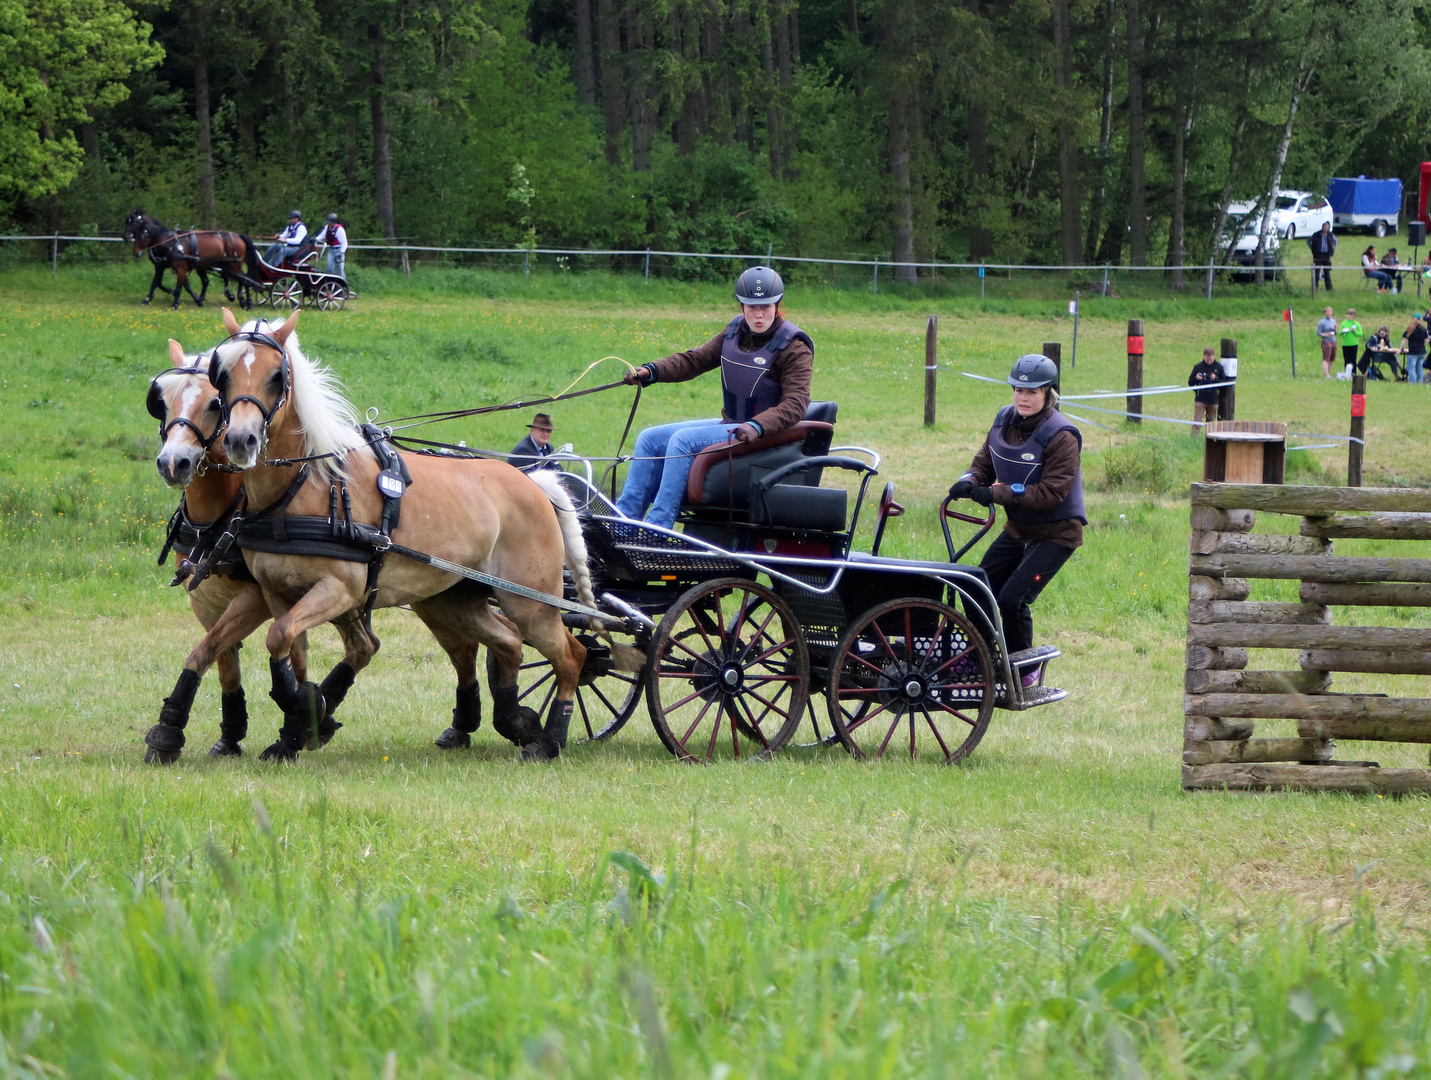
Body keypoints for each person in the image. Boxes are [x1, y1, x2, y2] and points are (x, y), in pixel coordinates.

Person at [615, 266, 813, 529]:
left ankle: (656, 531)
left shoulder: (794, 346)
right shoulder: (734, 331)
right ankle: (622, 527)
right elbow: (695, 360)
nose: (758, 314)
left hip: (763, 436)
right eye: (751, 306)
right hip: (730, 426)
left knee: (682, 441)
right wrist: (651, 371)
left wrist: (758, 425)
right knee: (649, 439)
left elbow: (796, 403)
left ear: (777, 304)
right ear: (741, 305)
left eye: (765, 306)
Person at [948, 354, 1084, 682]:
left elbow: (1052, 493)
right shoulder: (1003, 421)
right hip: (1018, 529)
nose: (1023, 397)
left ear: (1049, 394)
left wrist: (999, 493)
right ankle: (979, 658)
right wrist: (970, 480)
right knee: (975, 588)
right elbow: (984, 462)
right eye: (1018, 390)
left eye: (1032, 392)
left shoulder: (1062, 436)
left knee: (1012, 599)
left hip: (1057, 534)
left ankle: (1025, 669)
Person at [1188, 347, 1227, 427]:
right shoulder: (1198, 367)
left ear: (1214, 356)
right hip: (1200, 400)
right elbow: (1190, 383)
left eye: (1211, 359)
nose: (1209, 361)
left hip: (1213, 401)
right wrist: (1196, 378)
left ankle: (1209, 439)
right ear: (1204, 356)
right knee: (1197, 422)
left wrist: (1215, 379)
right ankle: (1194, 437)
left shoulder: (1219, 367)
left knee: (1211, 424)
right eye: (1207, 359)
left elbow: (1224, 385)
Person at [315, 213, 348, 277]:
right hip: (331, 250)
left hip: (338, 250)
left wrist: (341, 252)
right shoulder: (327, 228)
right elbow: (322, 236)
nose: (329, 224)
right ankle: (330, 284)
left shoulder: (339, 229)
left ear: (334, 222)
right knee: (329, 268)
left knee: (340, 269)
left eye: (330, 223)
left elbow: (344, 242)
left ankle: (343, 285)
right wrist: (315, 239)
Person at [1308, 222, 1337, 291]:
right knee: (1316, 272)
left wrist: (1333, 247)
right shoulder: (1316, 234)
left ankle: (1329, 288)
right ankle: (1315, 287)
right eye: (1324, 227)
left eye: (1327, 227)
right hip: (1318, 255)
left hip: (1326, 255)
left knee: (1327, 272)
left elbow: (1336, 241)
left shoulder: (1330, 235)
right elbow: (1308, 241)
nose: (1325, 229)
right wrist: (1312, 248)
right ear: (1322, 227)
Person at [1402, 313, 1429, 384]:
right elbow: (1426, 340)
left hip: (1413, 352)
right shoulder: (1423, 329)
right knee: (1419, 369)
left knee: (1411, 368)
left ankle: (1413, 383)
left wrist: (1400, 349)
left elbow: (1405, 339)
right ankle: (1420, 382)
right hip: (1422, 352)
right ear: (1420, 320)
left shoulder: (1410, 329)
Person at [1316, 305, 1339, 378]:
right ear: (1325, 313)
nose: (1329, 313)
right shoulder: (1322, 322)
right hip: (1326, 341)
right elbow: (1319, 333)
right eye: (1327, 312)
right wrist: (1326, 334)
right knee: (1326, 358)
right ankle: (1326, 374)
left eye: (1330, 312)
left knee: (1332, 358)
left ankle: (1329, 373)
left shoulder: (1333, 321)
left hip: (1333, 340)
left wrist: (1335, 329)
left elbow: (1336, 333)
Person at [1339, 309, 1364, 374]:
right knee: (1346, 359)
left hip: (1354, 343)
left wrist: (1355, 332)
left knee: (1353, 359)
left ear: (1353, 315)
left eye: (1349, 314)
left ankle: (1353, 372)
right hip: (1345, 344)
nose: (1348, 316)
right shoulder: (1344, 323)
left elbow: (1360, 334)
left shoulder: (1356, 324)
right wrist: (1342, 332)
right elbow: (1339, 332)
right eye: (1347, 314)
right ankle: (1347, 373)